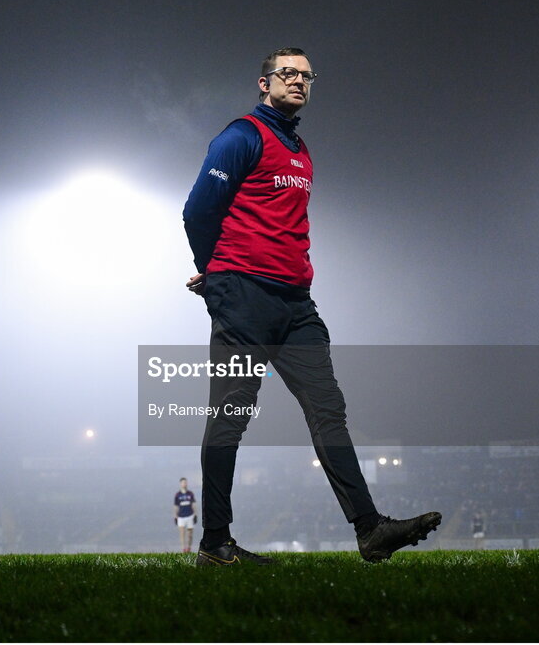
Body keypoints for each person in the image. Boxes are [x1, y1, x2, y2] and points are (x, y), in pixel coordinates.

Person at [183, 47, 442, 566]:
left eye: (306, 76)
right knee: (230, 415)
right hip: (243, 297)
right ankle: (215, 543)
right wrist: (215, 273)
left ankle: (370, 530)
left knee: (329, 411)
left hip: (296, 304)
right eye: (287, 73)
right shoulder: (241, 136)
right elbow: (197, 211)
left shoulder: (301, 150)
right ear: (264, 83)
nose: (298, 81)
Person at [173, 477, 198, 552]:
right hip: (181, 516)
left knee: (190, 534)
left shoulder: (190, 494)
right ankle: (183, 549)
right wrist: (175, 516)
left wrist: (195, 514)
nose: (185, 484)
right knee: (182, 533)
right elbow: (176, 506)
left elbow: (193, 504)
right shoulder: (177, 495)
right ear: (180, 484)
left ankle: (189, 548)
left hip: (190, 515)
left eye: (186, 482)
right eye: (183, 482)